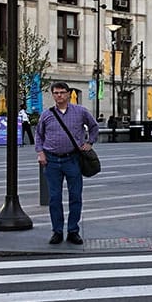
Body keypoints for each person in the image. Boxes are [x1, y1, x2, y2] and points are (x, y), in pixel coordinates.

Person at [35, 81, 99, 245]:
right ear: (53, 95)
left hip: (73, 159)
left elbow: (94, 126)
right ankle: (57, 231)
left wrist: (90, 142)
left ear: (69, 94)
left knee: (75, 196)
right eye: (56, 93)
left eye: (62, 92)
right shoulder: (47, 114)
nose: (59, 96)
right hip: (51, 160)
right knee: (54, 198)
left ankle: (73, 231)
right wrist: (40, 152)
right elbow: (39, 134)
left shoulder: (80, 111)